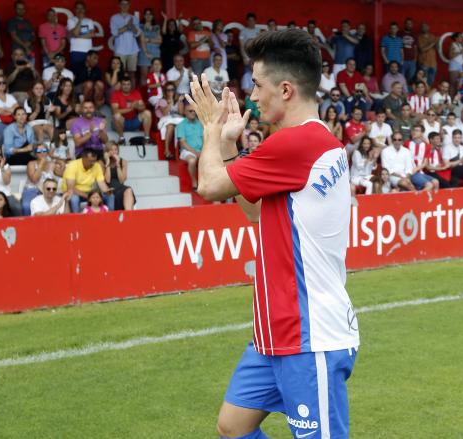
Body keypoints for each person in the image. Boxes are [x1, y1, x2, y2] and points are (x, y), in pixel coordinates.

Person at [186, 29, 360, 439]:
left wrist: (211, 128)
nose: (251, 96)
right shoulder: (312, 142)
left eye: (258, 85)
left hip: (308, 335)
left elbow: (208, 185)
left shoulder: (298, 143)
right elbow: (256, 212)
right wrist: (230, 147)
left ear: (285, 89)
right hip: (276, 331)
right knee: (233, 427)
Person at [63, 148, 114, 213]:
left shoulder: (96, 166)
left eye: (94, 161)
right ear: (83, 159)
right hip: (73, 193)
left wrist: (107, 191)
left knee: (110, 196)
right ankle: (77, 221)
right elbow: (71, 188)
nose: (93, 163)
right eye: (90, 161)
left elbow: (101, 183)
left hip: (89, 193)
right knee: (74, 199)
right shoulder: (72, 165)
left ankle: (111, 218)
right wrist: (89, 196)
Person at [111, 76, 153, 145]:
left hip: (133, 121)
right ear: (121, 85)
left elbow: (143, 107)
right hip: (122, 122)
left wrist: (137, 106)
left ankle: (147, 138)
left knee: (147, 113)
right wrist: (131, 108)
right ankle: (121, 139)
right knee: (117, 116)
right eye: (124, 84)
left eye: (128, 84)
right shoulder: (116, 94)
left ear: (131, 85)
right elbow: (115, 111)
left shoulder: (136, 93)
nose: (126, 86)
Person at [110, 0, 141, 81]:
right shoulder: (114, 18)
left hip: (133, 49)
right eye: (122, 4)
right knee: (119, 73)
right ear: (119, 5)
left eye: (126, 4)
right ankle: (119, 93)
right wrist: (127, 26)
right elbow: (115, 33)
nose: (124, 6)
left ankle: (132, 93)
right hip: (120, 50)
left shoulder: (134, 18)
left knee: (132, 74)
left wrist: (132, 26)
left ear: (129, 5)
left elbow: (137, 33)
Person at [176, 104, 203, 190]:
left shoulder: (200, 124)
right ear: (185, 112)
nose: (193, 113)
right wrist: (196, 152)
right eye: (190, 111)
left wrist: (205, 151)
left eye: (194, 111)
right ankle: (194, 182)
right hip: (187, 151)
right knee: (192, 160)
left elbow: (205, 139)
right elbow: (183, 143)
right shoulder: (181, 125)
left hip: (201, 150)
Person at [21, 145, 54, 215]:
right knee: (26, 206)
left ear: (47, 152)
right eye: (39, 151)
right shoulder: (31, 164)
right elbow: (34, 180)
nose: (42, 153)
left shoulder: (52, 164)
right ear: (35, 154)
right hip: (32, 190)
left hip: (48, 191)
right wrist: (41, 165)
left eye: (44, 151)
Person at [156, 81, 184, 160]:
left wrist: (179, 101)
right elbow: (165, 113)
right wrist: (171, 101)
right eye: (168, 90)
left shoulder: (178, 100)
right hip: (165, 120)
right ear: (165, 91)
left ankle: (182, 150)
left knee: (182, 124)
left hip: (177, 119)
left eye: (172, 90)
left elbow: (181, 113)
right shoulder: (162, 101)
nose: (171, 92)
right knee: (170, 126)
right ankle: (167, 150)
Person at [104, 142, 135, 210]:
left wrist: (118, 164)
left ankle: (128, 215)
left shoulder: (123, 161)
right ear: (107, 151)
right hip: (109, 189)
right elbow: (107, 180)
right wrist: (108, 162)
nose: (114, 152)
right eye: (111, 150)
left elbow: (122, 181)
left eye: (116, 149)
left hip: (120, 187)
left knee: (128, 190)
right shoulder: (102, 162)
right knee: (126, 191)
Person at [67, 1, 96, 74]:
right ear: (74, 9)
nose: (80, 10)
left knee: (88, 71)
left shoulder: (89, 21)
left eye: (82, 8)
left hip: (88, 51)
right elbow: (75, 33)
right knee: (76, 72)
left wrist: (78, 36)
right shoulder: (71, 20)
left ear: (85, 9)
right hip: (76, 50)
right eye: (78, 8)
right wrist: (80, 20)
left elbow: (92, 34)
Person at [138, 8, 161, 86]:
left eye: (150, 14)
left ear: (152, 16)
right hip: (143, 53)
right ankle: (144, 95)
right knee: (144, 75)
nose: (148, 16)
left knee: (154, 75)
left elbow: (159, 40)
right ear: (144, 16)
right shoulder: (140, 26)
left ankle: (154, 94)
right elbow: (142, 40)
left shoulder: (156, 27)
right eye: (146, 14)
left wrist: (148, 40)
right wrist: (146, 52)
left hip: (155, 53)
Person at [417, 23, 437, 87]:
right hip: (424, 62)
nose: (424, 28)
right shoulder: (420, 37)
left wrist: (437, 43)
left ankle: (428, 95)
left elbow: (436, 49)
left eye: (426, 26)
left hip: (433, 63)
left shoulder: (432, 36)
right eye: (423, 27)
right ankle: (423, 95)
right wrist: (433, 43)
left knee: (431, 81)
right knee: (423, 81)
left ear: (428, 27)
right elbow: (422, 49)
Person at [399, 17, 417, 83]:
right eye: (407, 23)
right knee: (401, 78)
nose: (409, 25)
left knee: (411, 77)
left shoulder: (414, 35)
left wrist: (415, 59)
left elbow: (415, 48)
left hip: (412, 61)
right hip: (403, 60)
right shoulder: (400, 34)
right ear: (405, 24)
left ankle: (407, 91)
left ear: (412, 25)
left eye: (410, 24)